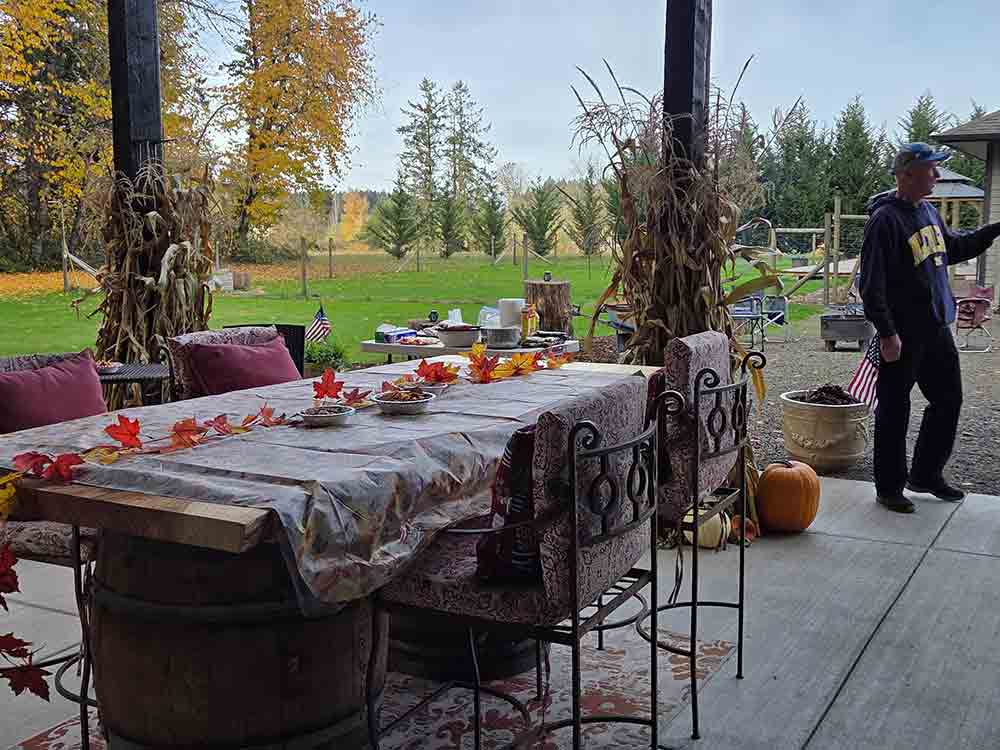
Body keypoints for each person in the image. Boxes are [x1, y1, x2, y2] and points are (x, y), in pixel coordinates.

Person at [859, 142, 1000, 513]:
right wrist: (887, 333)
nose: (937, 175)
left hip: (937, 328)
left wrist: (993, 230)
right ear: (906, 174)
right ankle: (889, 487)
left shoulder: (929, 212)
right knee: (894, 410)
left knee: (948, 400)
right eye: (931, 169)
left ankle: (925, 474)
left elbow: (954, 249)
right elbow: (871, 285)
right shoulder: (884, 220)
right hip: (902, 334)